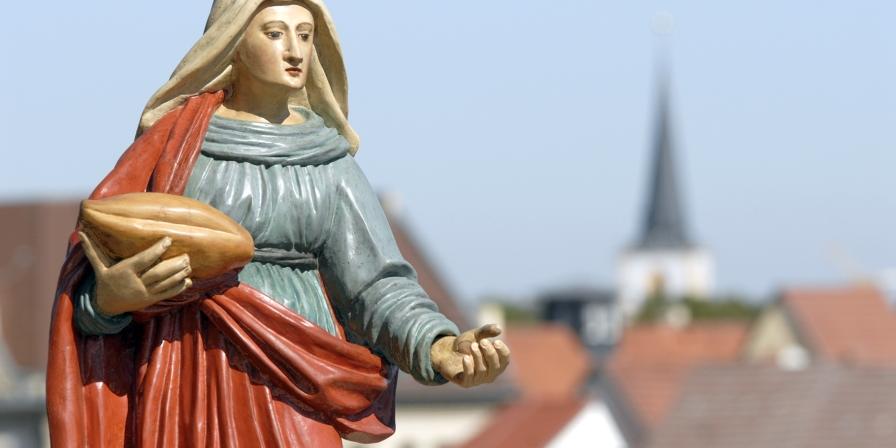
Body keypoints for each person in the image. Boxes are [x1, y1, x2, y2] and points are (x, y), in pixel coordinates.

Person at [47, 1, 509, 446]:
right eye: (274, 33)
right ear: (232, 41)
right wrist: (109, 300)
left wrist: (436, 343)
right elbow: (99, 261)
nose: (295, 50)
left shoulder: (327, 160)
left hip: (299, 374)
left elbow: (376, 286)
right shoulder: (175, 145)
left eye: (305, 35)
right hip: (187, 370)